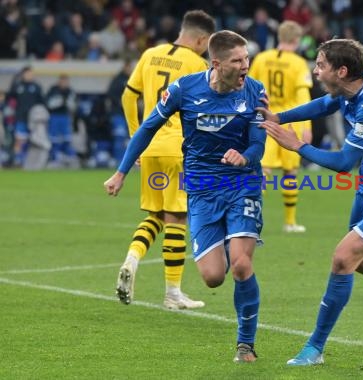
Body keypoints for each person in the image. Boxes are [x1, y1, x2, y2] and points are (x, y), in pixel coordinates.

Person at [258, 38, 363, 366]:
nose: (315, 69)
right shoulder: (353, 88)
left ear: (341, 70)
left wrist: (296, 146)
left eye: (321, 64)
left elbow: (342, 163)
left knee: (342, 258)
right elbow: (324, 105)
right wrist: (279, 117)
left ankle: (315, 348)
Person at [104, 30, 267, 363]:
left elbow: (258, 142)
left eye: (247, 58)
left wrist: (246, 156)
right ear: (217, 63)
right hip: (201, 189)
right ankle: (228, 238)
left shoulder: (255, 91)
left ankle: (245, 344)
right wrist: (121, 171)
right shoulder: (184, 89)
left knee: (240, 265)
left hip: (242, 184)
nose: (245, 66)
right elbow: (148, 126)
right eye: (238, 61)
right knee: (212, 277)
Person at [113, 10, 215, 310]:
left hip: (150, 147)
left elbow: (128, 97)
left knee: (157, 215)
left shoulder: (150, 54)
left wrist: (137, 138)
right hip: (179, 150)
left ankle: (133, 257)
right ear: (201, 39)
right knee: (178, 218)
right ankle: (172, 293)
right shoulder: (197, 64)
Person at [249, 20, 312, 233]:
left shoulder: (261, 59)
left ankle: (249, 218)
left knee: (262, 170)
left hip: (264, 119)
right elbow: (304, 98)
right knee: (290, 172)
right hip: (289, 122)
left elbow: (249, 88)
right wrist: (307, 126)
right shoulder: (298, 64)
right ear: (296, 40)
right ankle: (290, 222)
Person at [45, 74, 78, 168]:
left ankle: (68, 160)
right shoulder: (53, 90)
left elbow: (74, 106)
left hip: (65, 116)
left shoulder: (70, 91)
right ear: (59, 81)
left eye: (66, 81)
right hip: (54, 116)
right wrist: (58, 102)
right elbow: (48, 103)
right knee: (54, 139)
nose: (64, 83)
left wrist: (68, 103)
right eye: (63, 81)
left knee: (66, 139)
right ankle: (54, 159)